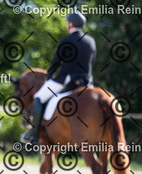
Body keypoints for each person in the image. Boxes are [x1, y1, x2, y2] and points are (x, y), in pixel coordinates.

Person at [22, 11, 96, 144]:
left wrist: (49, 76)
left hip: (66, 79)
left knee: (38, 97)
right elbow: (92, 62)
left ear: (70, 24)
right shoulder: (90, 41)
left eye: (67, 23)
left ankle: (33, 134)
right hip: (86, 82)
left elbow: (55, 62)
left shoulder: (66, 40)